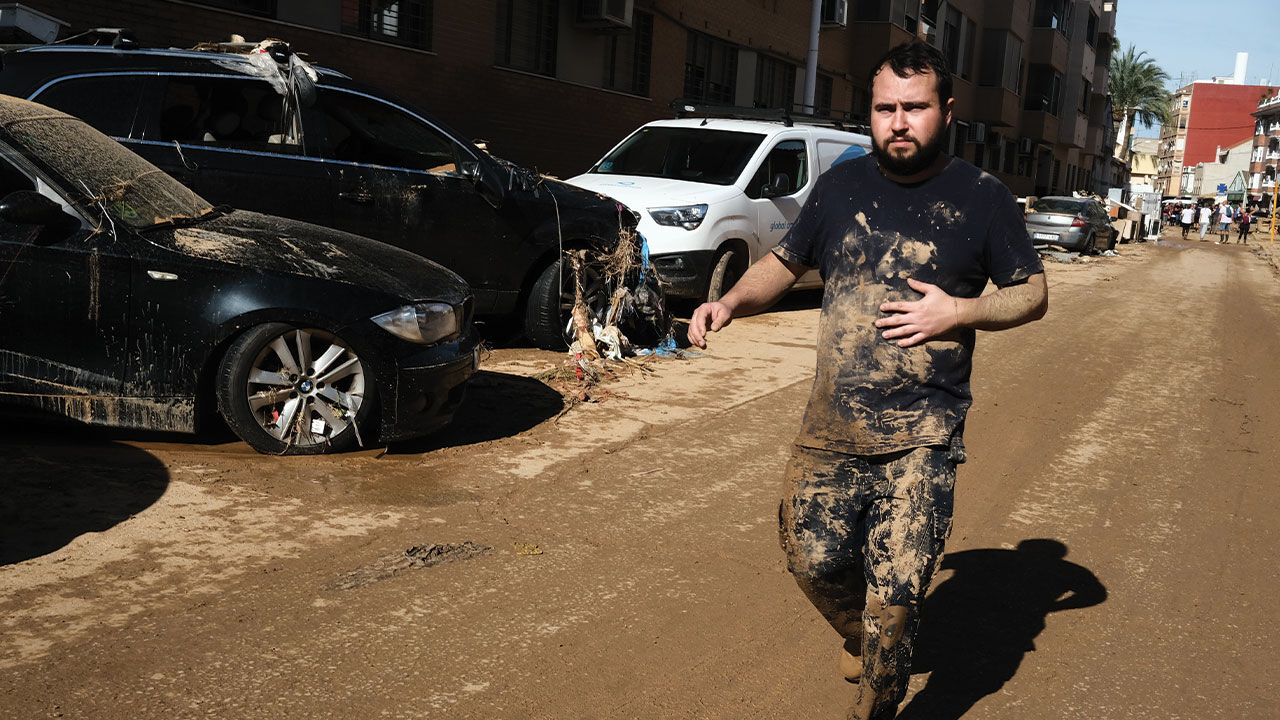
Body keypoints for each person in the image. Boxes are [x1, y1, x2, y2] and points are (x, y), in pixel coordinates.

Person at [686, 39, 1048, 720]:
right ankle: (860, 632)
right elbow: (785, 262)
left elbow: (1031, 293)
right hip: (832, 424)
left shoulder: (983, 198)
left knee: (896, 605)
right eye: (886, 108)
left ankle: (878, 676)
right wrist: (729, 300)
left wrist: (960, 310)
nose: (899, 122)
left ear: (946, 111)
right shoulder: (841, 186)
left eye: (915, 108)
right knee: (812, 561)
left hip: (923, 432)